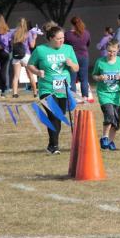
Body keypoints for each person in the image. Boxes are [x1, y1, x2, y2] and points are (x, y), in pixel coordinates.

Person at [27, 24, 79, 155]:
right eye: (58, 38)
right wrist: (38, 72)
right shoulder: (40, 50)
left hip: (62, 87)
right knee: (53, 115)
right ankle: (55, 146)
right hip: (47, 88)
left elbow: (76, 68)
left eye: (63, 38)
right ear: (50, 38)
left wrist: (71, 64)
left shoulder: (68, 49)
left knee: (59, 115)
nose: (61, 41)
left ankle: (51, 144)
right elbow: (30, 65)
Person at [92, 38, 120, 151]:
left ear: (118, 50)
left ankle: (110, 142)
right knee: (109, 115)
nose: (111, 54)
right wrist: (99, 77)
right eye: (109, 51)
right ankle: (104, 137)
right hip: (104, 94)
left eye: (113, 51)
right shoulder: (100, 62)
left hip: (116, 95)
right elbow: (94, 75)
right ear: (106, 50)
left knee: (116, 122)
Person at [64, 16, 91, 101]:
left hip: (72, 58)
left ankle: (73, 98)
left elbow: (64, 46)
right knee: (84, 78)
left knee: (72, 78)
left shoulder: (68, 34)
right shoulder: (86, 33)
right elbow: (88, 44)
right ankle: (85, 97)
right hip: (84, 57)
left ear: (71, 24)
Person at [11, 17, 38, 98]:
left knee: (16, 76)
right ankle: (35, 92)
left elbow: (11, 43)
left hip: (16, 56)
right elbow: (32, 45)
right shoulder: (28, 33)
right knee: (30, 75)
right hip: (26, 55)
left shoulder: (14, 33)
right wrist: (34, 38)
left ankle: (15, 93)